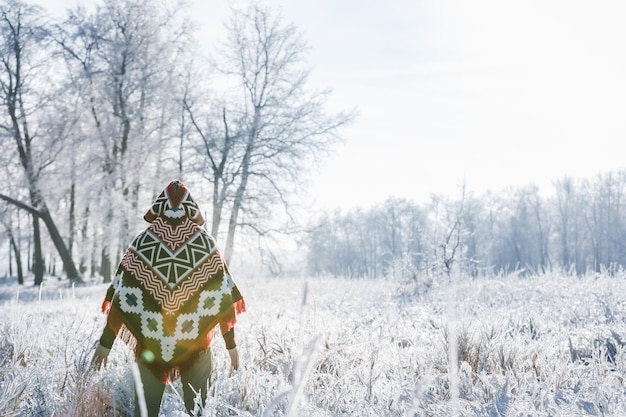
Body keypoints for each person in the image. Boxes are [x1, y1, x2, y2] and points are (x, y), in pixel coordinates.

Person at [92, 180, 246, 416]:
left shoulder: (142, 244)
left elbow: (121, 301)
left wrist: (105, 345)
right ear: (192, 208)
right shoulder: (205, 245)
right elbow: (222, 302)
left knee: (146, 412)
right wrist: (231, 345)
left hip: (150, 346)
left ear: (159, 207)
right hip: (195, 345)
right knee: (197, 411)